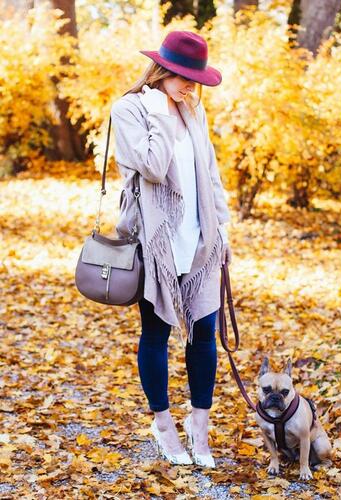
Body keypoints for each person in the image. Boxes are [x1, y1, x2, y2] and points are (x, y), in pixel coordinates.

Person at [110, 30, 232, 468]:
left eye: (194, 80)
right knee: (157, 333)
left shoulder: (191, 112)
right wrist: (160, 113)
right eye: (183, 77)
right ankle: (163, 425)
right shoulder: (130, 109)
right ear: (162, 71)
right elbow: (154, 168)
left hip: (199, 240)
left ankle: (199, 431)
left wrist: (222, 229)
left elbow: (210, 174)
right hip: (156, 243)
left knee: (204, 336)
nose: (190, 87)